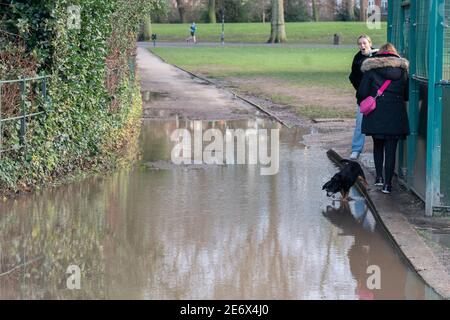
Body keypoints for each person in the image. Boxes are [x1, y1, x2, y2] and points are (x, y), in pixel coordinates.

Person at [357, 43, 410, 194]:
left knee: (378, 145)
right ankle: (388, 184)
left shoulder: (371, 70)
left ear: (380, 54)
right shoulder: (403, 71)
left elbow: (362, 92)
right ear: (395, 54)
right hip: (396, 114)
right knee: (391, 149)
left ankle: (379, 177)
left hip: (376, 114)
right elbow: (406, 94)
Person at [348, 35, 378, 160]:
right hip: (363, 98)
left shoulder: (378, 56)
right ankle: (356, 149)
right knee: (360, 124)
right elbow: (353, 77)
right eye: (360, 44)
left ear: (370, 43)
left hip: (377, 97)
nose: (362, 46)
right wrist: (361, 90)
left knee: (378, 125)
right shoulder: (357, 58)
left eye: (364, 43)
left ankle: (378, 151)